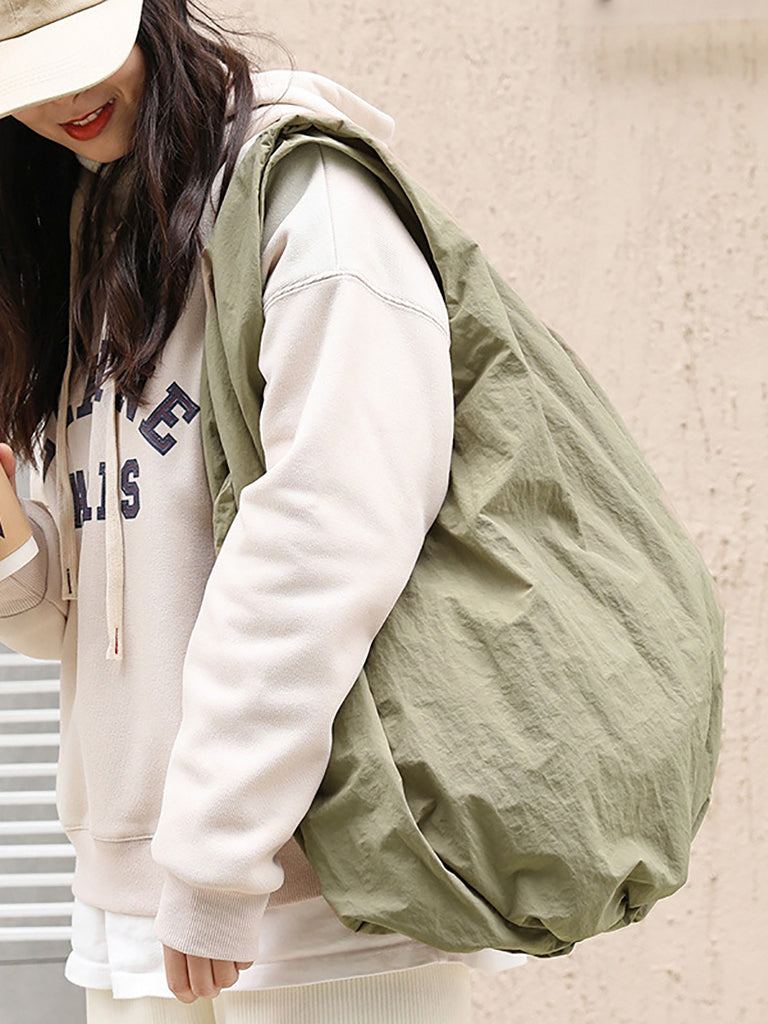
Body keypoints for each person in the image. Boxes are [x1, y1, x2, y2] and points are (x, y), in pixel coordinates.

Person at [0, 0, 525, 1020]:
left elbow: (329, 533)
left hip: (320, 894)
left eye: (79, 51)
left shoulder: (304, 193)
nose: (65, 95)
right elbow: (84, 622)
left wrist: (217, 856)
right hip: (135, 895)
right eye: (25, 73)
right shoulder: (81, 224)